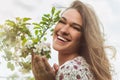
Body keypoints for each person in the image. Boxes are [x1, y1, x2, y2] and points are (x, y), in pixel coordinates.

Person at [32, 0, 114, 80]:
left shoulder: (70, 70)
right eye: (62, 21)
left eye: (75, 27)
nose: (64, 30)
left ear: (84, 39)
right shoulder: (82, 67)